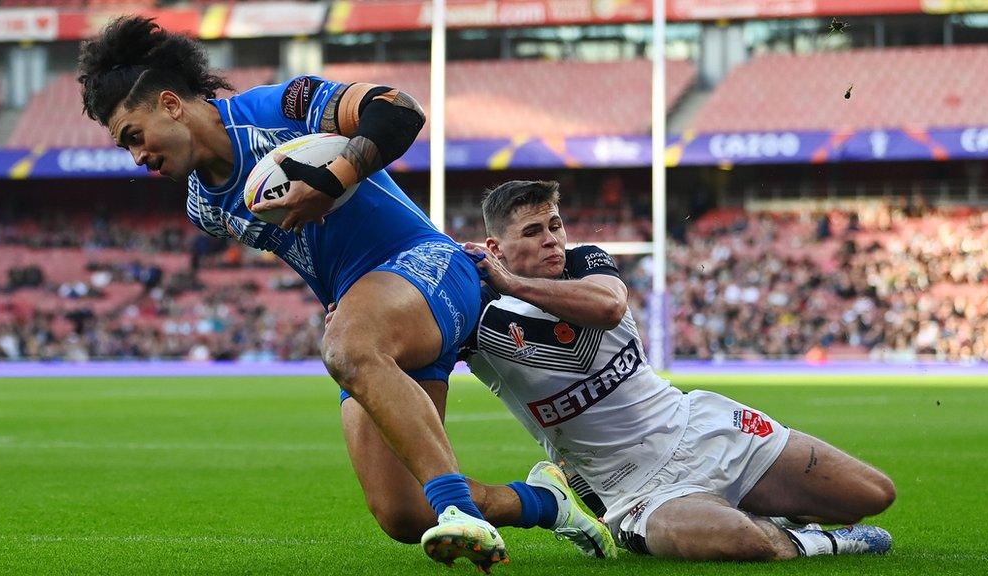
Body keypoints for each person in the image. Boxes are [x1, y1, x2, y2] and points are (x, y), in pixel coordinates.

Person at [76, 17, 613, 571]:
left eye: (133, 137)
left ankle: (459, 512)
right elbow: (316, 252)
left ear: (170, 104)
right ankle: (547, 502)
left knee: (350, 351)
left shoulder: (277, 108)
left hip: (429, 265)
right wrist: (345, 303)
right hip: (373, 306)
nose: (136, 157)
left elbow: (400, 111)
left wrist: (331, 179)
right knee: (403, 516)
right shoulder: (202, 207)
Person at [457, 180, 896, 561]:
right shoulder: (476, 315)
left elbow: (609, 308)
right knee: (742, 542)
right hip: (635, 487)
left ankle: (761, 516)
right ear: (495, 248)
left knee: (873, 494)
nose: (551, 239)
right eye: (532, 232)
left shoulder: (585, 262)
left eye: (555, 225)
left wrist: (511, 281)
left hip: (699, 427)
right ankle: (825, 544)